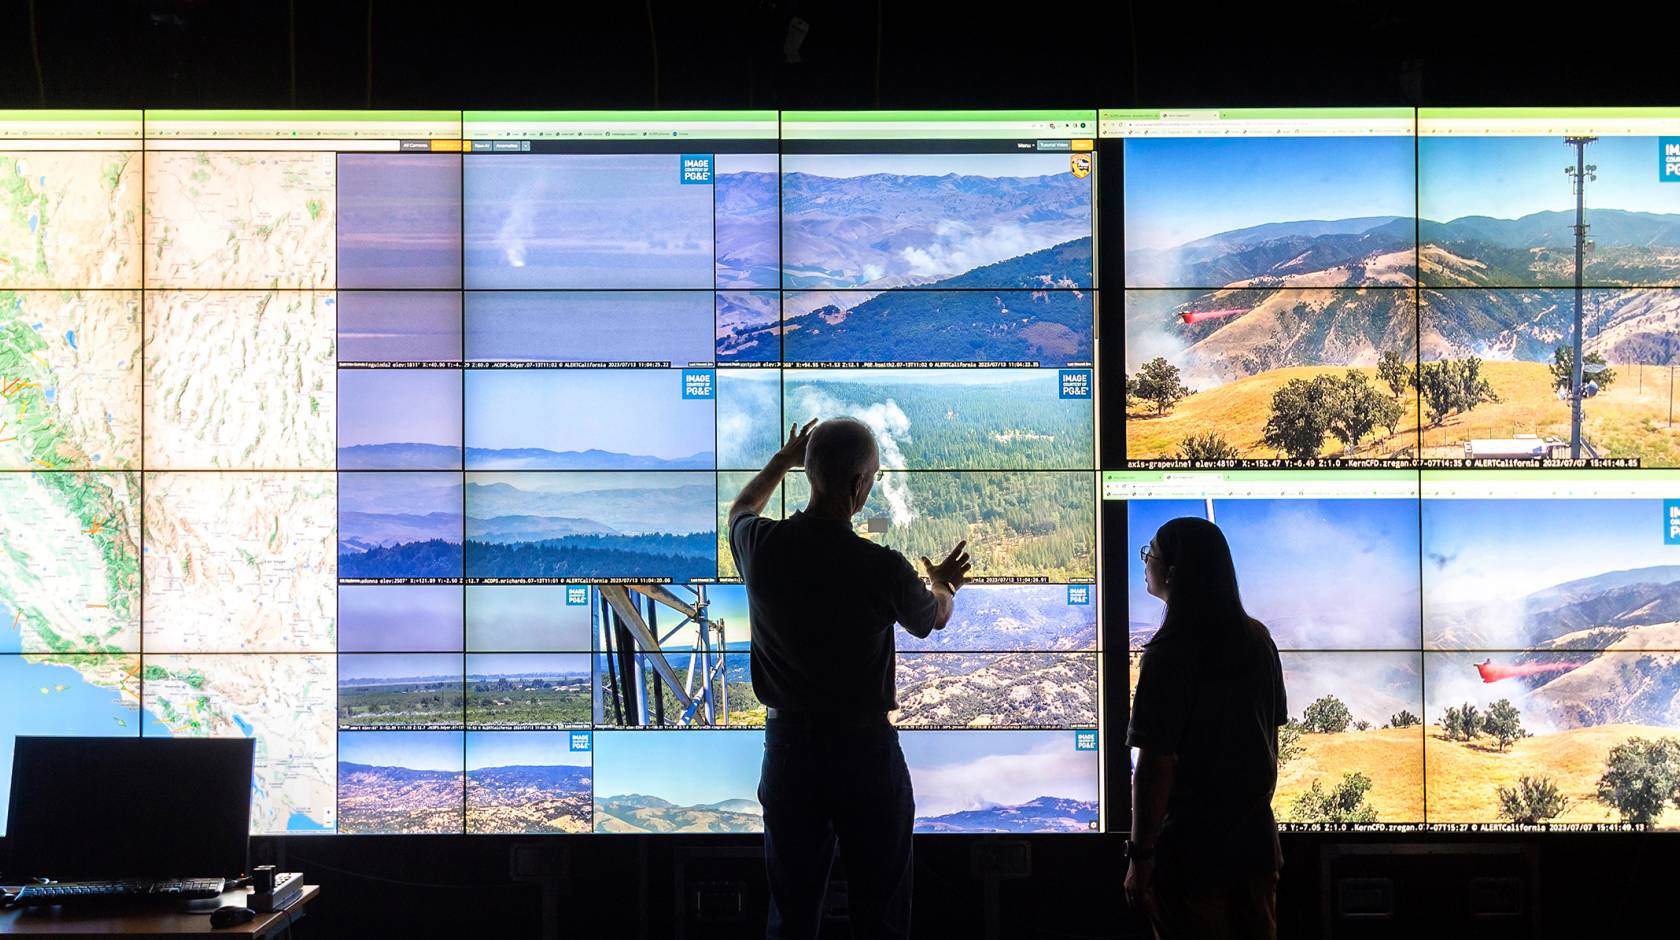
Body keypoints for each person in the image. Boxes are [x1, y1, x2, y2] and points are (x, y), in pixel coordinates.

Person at [728, 417, 972, 940]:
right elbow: (934, 617)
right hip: (865, 752)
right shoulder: (881, 567)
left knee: (792, 916)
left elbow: (740, 510)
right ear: (860, 486)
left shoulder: (761, 547)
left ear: (808, 473)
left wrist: (779, 461)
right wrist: (942, 583)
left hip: (790, 750)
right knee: (880, 917)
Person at [1124, 516, 1286, 940]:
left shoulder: (1167, 655)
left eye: (1150, 555)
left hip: (1191, 860)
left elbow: (1156, 764)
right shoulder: (1259, 640)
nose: (1144, 563)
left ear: (1172, 574)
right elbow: (1270, 740)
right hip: (1255, 853)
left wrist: (1140, 858)